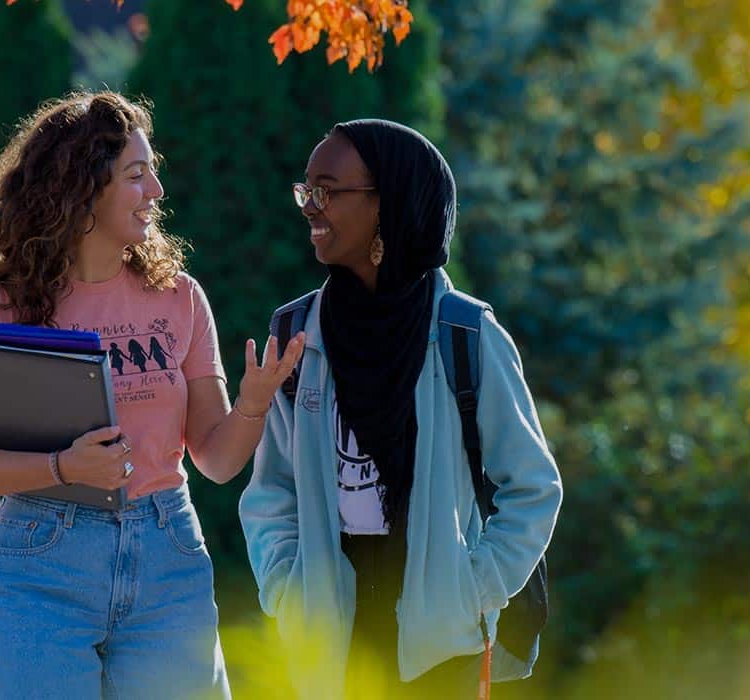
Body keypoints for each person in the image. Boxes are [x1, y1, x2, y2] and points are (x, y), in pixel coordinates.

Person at [0, 91, 304, 699]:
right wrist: (60, 467)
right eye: (136, 173)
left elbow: (217, 459)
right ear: (80, 186)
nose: (155, 190)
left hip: (167, 554)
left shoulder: (179, 296)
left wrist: (254, 403)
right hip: (40, 565)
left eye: (153, 171)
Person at [239, 119, 563, 698]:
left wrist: (473, 589)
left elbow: (534, 488)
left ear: (388, 203)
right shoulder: (294, 333)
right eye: (306, 190)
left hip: (441, 641)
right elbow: (271, 492)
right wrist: (287, 595)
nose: (311, 207)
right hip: (331, 636)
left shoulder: (466, 334)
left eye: (328, 190)